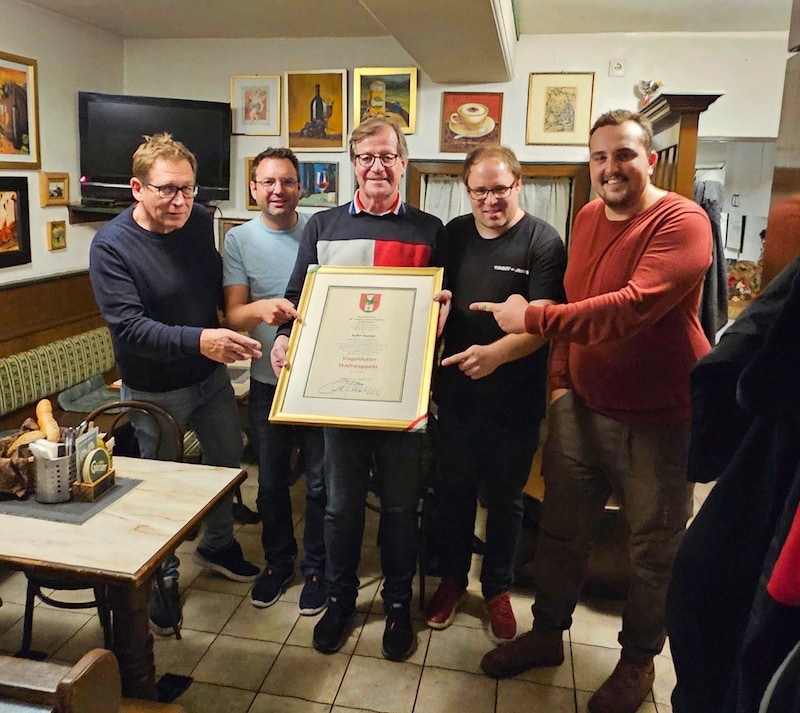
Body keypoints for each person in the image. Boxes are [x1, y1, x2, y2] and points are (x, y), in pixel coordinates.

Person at [472, 110, 713, 713]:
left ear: (650, 159)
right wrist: (559, 384)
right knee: (561, 532)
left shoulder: (683, 221)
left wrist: (530, 317)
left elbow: (628, 309)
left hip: (659, 420)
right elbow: (580, 304)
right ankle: (548, 635)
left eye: (625, 154)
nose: (611, 168)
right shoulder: (586, 216)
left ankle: (636, 665)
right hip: (580, 408)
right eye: (600, 157)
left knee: (654, 551)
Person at [271, 115, 450, 662]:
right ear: (354, 164)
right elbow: (298, 296)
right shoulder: (322, 227)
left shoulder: (429, 229)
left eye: (387, 156)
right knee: (340, 507)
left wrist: (442, 317)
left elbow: (442, 306)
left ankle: (398, 605)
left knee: (399, 508)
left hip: (401, 398)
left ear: (403, 163)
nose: (377, 166)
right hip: (339, 394)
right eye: (366, 156)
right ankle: (342, 599)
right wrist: (282, 336)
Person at [89, 133, 262, 636]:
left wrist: (232, 325)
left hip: (209, 377)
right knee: (160, 487)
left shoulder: (199, 221)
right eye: (167, 190)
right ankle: (161, 577)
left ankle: (216, 543)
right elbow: (129, 328)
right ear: (137, 188)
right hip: (153, 388)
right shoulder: (112, 246)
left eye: (188, 189)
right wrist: (202, 339)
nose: (180, 200)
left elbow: (212, 290)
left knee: (227, 461)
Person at [425, 144, 566, 643]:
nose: (490, 200)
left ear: (518, 185)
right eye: (480, 190)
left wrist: (497, 355)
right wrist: (435, 314)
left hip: (515, 400)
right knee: (453, 496)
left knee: (507, 501)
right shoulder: (454, 234)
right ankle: (451, 583)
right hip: (456, 397)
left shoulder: (543, 242)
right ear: (468, 191)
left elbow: (544, 325)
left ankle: (498, 591)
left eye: (500, 189)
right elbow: (437, 297)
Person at [222, 147, 328, 615]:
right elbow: (235, 315)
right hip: (269, 381)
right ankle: (279, 562)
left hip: (323, 382)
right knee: (270, 485)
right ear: (253, 189)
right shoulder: (238, 240)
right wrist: (263, 310)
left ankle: (319, 569)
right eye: (267, 182)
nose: (277, 190)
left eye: (286, 181)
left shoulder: (322, 231)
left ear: (300, 187)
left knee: (323, 484)